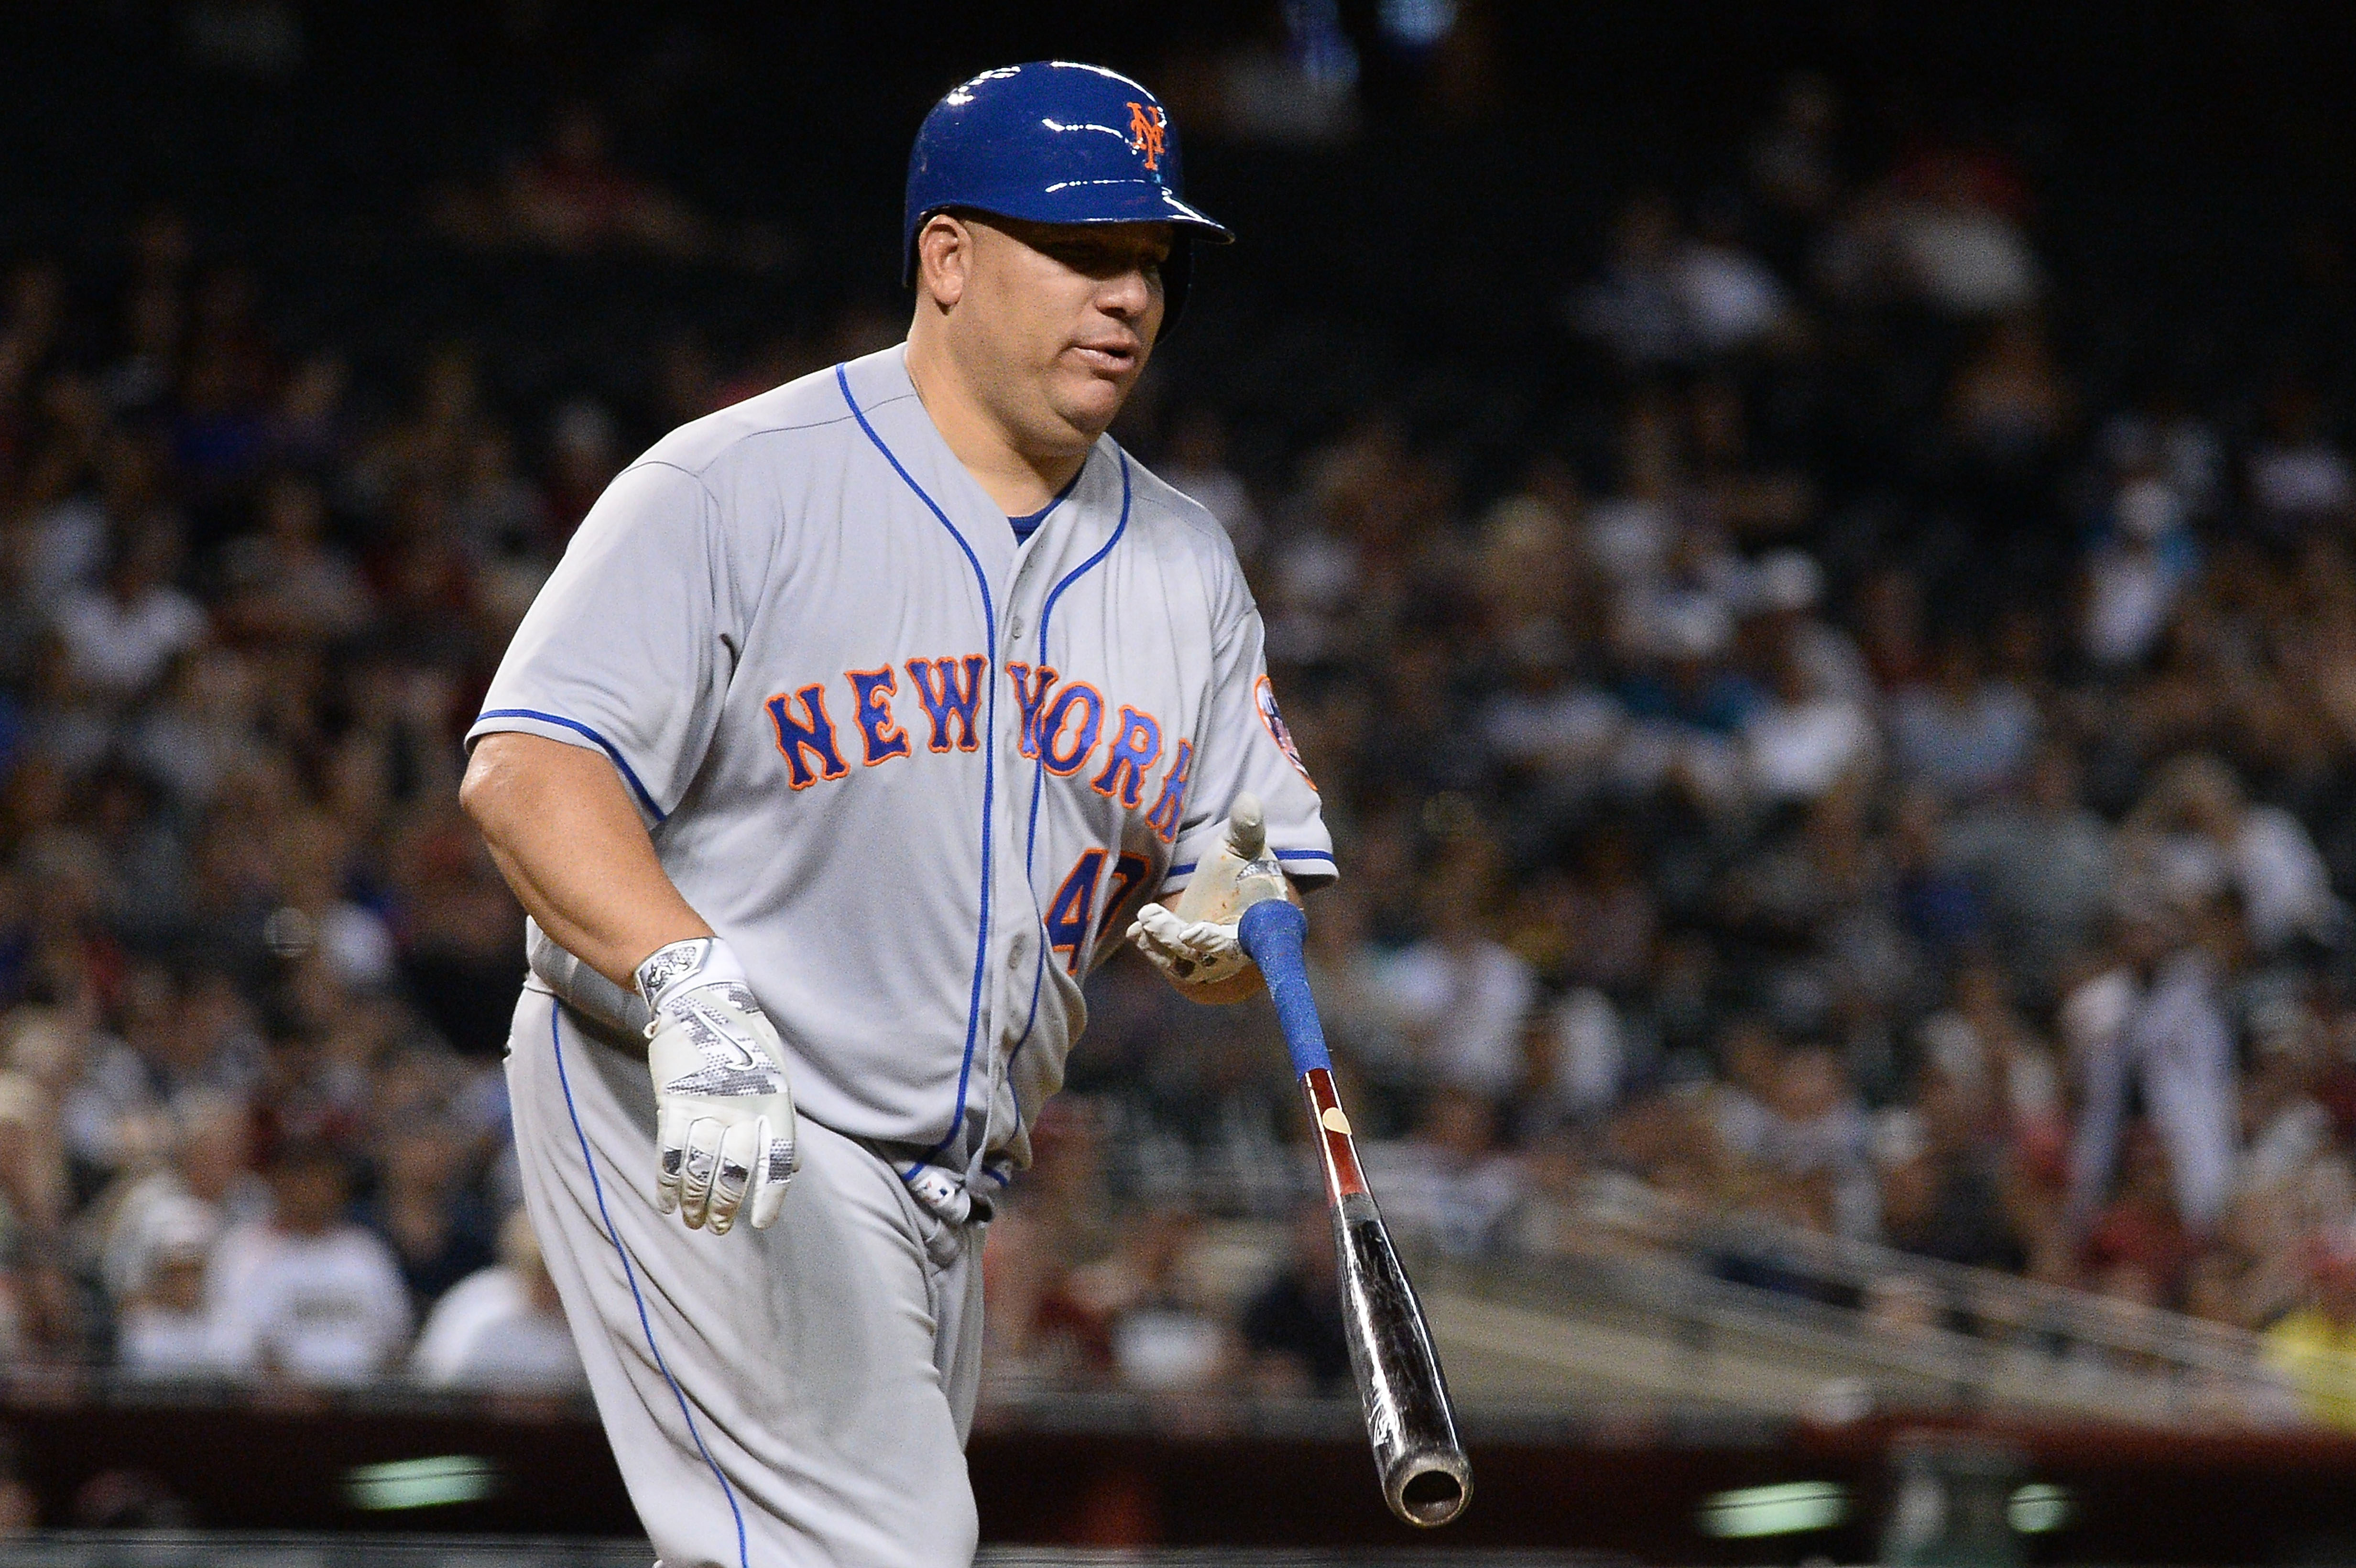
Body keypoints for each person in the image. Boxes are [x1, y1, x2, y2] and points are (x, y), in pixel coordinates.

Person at [457, 63, 1332, 1568]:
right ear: (947, 258)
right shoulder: (739, 484)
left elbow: (1251, 872)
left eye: (1150, 261)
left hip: (946, 1194)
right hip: (706, 1104)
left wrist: (1231, 912)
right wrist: (683, 977)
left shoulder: (1184, 567)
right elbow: (529, 771)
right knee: (886, 1550)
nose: (1127, 297)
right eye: (1082, 250)